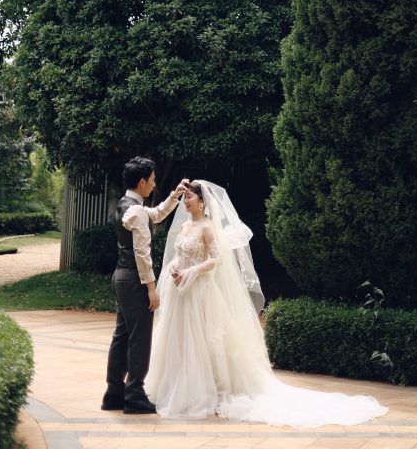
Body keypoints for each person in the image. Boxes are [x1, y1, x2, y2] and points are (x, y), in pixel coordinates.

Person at [146, 180, 387, 425]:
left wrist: (193, 271)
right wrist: (175, 267)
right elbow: (180, 255)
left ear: (202, 201)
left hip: (200, 291)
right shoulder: (185, 226)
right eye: (185, 197)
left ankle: (201, 390)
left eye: (190, 197)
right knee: (179, 339)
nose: (186, 202)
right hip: (180, 290)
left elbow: (216, 259)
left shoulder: (207, 227)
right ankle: (175, 386)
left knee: (200, 340)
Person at [102, 156, 189, 414]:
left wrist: (175, 195)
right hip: (134, 280)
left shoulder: (127, 205)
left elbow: (157, 214)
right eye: (151, 180)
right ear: (142, 181)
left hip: (121, 277)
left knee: (122, 336)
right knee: (139, 339)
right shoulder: (137, 211)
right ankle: (134, 395)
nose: (153, 184)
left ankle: (113, 393)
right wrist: (151, 288)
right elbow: (142, 252)